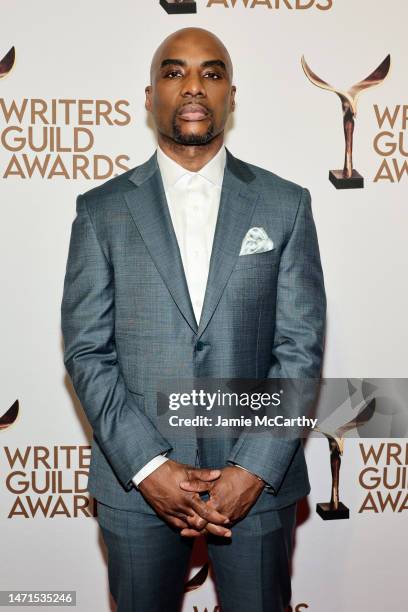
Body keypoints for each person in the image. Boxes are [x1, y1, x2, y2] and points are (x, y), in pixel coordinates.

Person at [61, 26, 326, 612]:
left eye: (211, 72)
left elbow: (299, 348)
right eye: (174, 71)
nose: (193, 86)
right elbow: (87, 351)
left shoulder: (287, 204)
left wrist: (252, 467)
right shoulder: (101, 211)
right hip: (138, 487)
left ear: (232, 94)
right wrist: (149, 466)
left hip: (259, 483)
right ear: (149, 95)